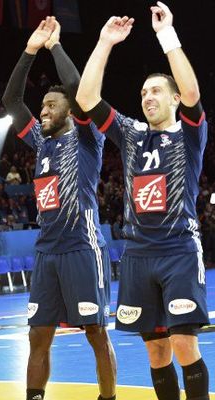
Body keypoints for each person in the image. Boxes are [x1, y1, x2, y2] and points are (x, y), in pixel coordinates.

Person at [76, 3, 210, 400]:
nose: (147, 97)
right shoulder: (132, 133)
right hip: (137, 254)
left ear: (172, 100)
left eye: (155, 91)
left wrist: (167, 36)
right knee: (155, 350)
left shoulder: (189, 135)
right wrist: (104, 42)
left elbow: (192, 92)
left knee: (184, 345)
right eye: (143, 92)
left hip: (178, 250)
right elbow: (85, 98)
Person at [2, 17, 116, 400]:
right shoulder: (41, 142)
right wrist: (30, 50)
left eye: (51, 105)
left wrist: (55, 48)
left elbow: (79, 90)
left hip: (82, 249)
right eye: (44, 105)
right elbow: (11, 101)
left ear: (70, 109)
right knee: (38, 334)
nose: (44, 110)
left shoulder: (87, 138)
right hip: (47, 252)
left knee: (96, 332)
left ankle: (108, 397)